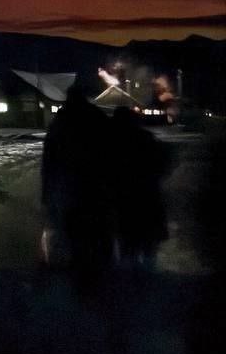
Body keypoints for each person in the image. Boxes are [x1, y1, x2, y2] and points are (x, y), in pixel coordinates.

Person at [41, 82, 113, 286]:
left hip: (68, 186)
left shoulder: (60, 121)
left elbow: (49, 159)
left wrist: (47, 192)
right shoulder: (97, 117)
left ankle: (77, 271)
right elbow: (111, 152)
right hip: (95, 185)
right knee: (97, 228)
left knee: (72, 229)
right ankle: (99, 271)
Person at [109, 106, 172, 268]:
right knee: (148, 246)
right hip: (147, 198)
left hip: (123, 201)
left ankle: (131, 281)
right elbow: (163, 165)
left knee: (127, 246)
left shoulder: (112, 143)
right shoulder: (146, 138)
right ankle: (147, 280)